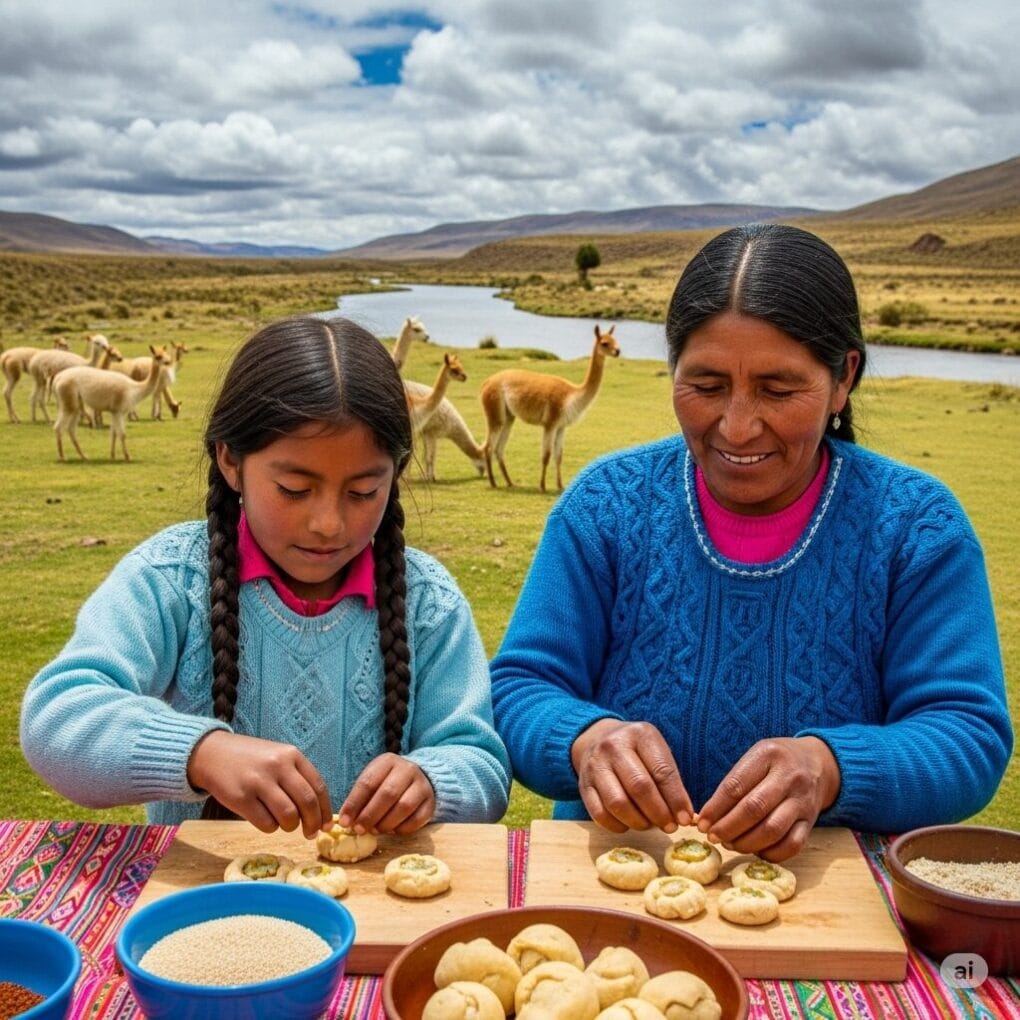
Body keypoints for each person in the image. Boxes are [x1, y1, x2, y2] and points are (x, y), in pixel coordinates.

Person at [490, 224, 1012, 862]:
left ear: (843, 377)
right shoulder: (605, 506)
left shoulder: (916, 528)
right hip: (610, 897)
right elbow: (519, 686)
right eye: (706, 386)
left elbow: (967, 735)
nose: (737, 427)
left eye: (778, 389)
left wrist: (830, 766)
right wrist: (585, 738)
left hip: (830, 913)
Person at [21, 316, 510, 838]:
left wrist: (433, 781)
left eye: (364, 492)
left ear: (396, 472)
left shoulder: (426, 602)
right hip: (208, 909)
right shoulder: (171, 579)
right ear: (230, 460)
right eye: (295, 489)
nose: (328, 524)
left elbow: (479, 761)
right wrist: (201, 752)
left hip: (377, 910)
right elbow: (57, 714)